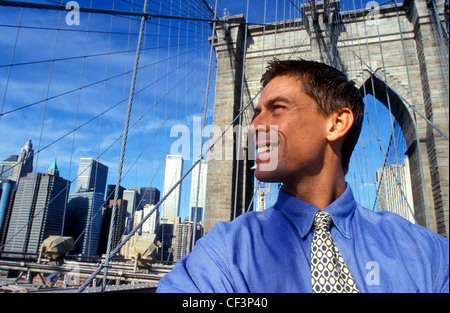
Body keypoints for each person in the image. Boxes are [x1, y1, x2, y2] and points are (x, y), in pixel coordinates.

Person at [157, 59, 449, 293]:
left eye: (278, 109)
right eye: (256, 113)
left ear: (336, 123)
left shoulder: (430, 255)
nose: (253, 126)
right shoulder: (221, 252)